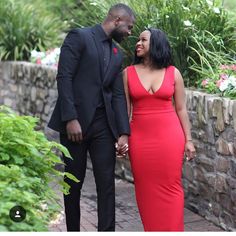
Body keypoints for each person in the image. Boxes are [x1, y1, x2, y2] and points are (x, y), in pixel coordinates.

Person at [48, 3, 135, 231]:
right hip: (74, 126)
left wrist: (123, 132)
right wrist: (70, 118)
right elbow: (64, 76)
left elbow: (117, 95)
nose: (130, 33)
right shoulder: (80, 37)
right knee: (73, 183)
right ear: (117, 20)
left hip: (103, 127)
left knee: (106, 185)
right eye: (129, 27)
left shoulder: (118, 54)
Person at [122, 28, 196, 231]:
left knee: (172, 187)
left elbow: (181, 109)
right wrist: (123, 138)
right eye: (138, 40)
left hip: (170, 138)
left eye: (143, 40)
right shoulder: (127, 73)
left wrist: (188, 140)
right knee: (145, 189)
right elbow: (125, 112)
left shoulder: (174, 73)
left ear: (156, 44)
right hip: (140, 140)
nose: (138, 43)